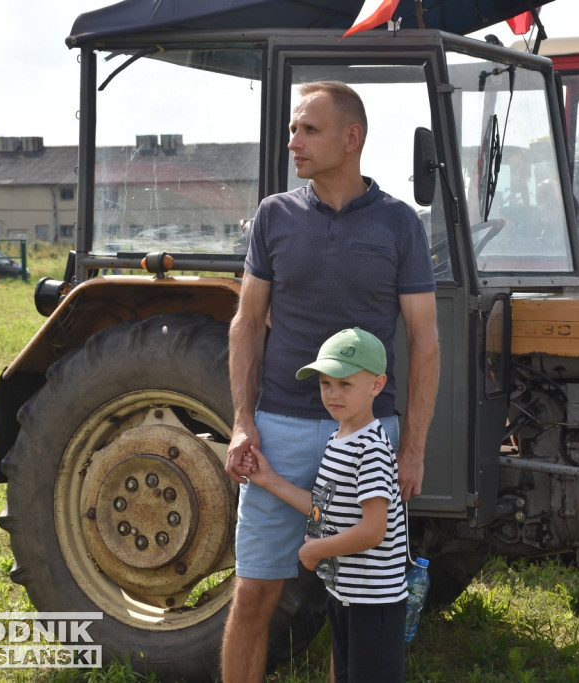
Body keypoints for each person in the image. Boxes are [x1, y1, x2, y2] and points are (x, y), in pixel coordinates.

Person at [221, 80, 439, 683]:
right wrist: (244, 423)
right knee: (254, 594)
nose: (293, 141)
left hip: (368, 434)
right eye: (293, 129)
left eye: (307, 129)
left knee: (360, 600)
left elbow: (425, 340)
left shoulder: (399, 223)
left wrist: (412, 447)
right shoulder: (274, 216)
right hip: (280, 432)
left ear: (352, 137)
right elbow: (247, 321)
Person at [238, 328, 408, 682]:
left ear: (377, 385)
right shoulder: (339, 438)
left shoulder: (371, 449)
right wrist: (270, 480)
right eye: (326, 383)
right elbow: (324, 506)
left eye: (345, 385)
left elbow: (373, 530)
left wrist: (315, 551)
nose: (333, 394)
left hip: (373, 601)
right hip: (346, 593)